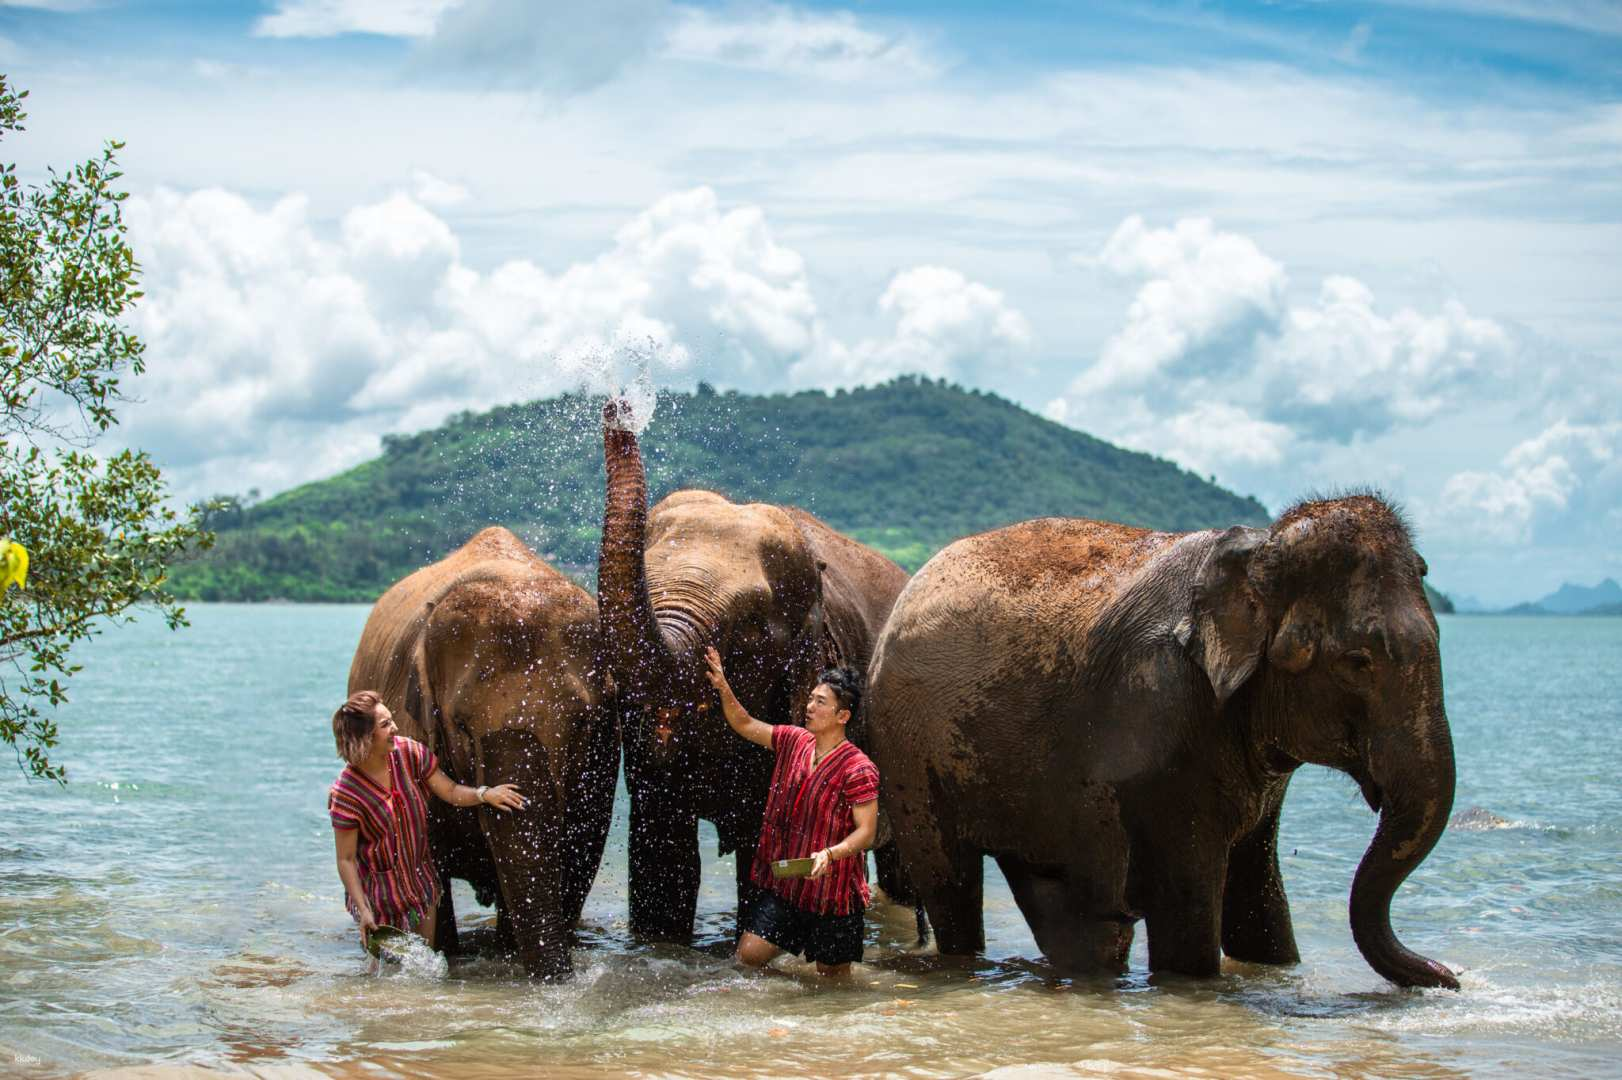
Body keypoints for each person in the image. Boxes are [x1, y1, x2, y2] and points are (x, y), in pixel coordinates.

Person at [703, 647, 879, 976]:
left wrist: (832, 853)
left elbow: (866, 832)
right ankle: (784, 1006)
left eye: (820, 702)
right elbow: (744, 724)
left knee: (833, 987)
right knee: (747, 959)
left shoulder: (859, 768)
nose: (809, 707)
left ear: (843, 716)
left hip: (835, 899)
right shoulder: (793, 741)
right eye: (811, 699)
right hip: (790, 887)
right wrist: (723, 686)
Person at [328, 690, 525, 953]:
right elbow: (346, 860)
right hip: (378, 903)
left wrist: (485, 794)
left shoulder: (409, 754)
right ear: (365, 737)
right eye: (385, 724)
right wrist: (364, 911)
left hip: (421, 890)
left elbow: (451, 791)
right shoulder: (346, 793)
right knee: (384, 979)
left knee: (424, 972)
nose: (395, 728)